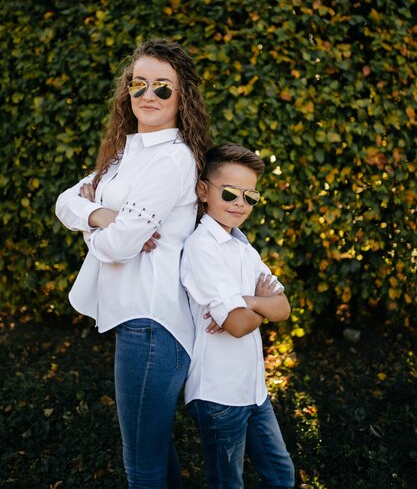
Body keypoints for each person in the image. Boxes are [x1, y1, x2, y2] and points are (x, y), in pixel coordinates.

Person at [55, 39, 211, 489]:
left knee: (141, 467)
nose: (148, 95)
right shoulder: (125, 153)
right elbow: (66, 201)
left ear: (183, 97)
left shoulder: (173, 158)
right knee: (155, 456)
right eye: (138, 83)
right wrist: (102, 216)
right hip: (138, 321)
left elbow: (120, 246)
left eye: (163, 87)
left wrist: (104, 225)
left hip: (153, 324)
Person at [181, 143, 295, 489]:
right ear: (203, 191)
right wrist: (262, 302)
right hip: (218, 395)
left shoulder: (244, 247)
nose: (240, 203)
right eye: (229, 193)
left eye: (250, 197)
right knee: (228, 484)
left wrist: (247, 300)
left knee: (282, 476)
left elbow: (284, 308)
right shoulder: (202, 248)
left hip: (254, 391)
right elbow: (238, 325)